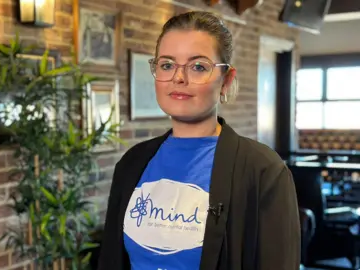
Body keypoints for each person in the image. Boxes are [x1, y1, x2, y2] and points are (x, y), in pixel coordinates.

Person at [97, 11, 300, 270]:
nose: (179, 78)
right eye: (167, 64)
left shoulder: (262, 170)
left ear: (226, 80)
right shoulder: (132, 163)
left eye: (198, 67)